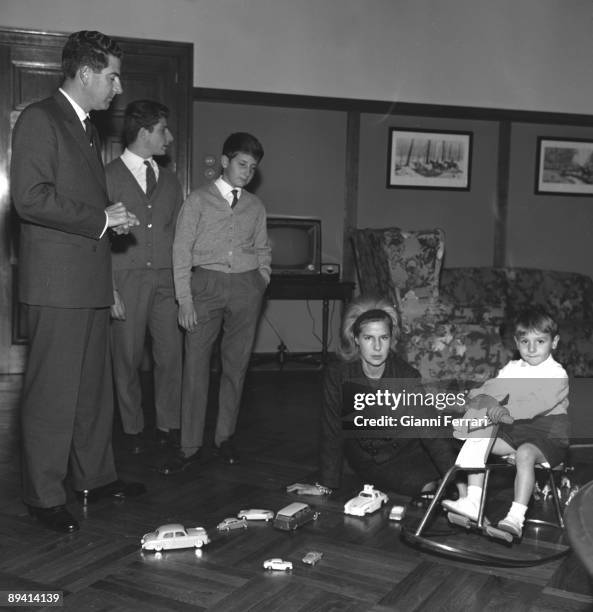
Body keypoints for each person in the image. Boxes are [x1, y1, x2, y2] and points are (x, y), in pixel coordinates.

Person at [10, 30, 145, 534]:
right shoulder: (40, 119)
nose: (117, 86)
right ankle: (43, 495)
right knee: (53, 395)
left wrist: (107, 226)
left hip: (87, 281)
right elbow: (29, 197)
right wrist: (102, 220)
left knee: (92, 392)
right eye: (111, 76)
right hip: (57, 284)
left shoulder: (85, 126)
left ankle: (95, 476)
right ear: (85, 73)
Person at [163, 132, 271, 473]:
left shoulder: (255, 206)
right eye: (242, 164)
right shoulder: (197, 200)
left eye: (252, 168)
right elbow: (180, 251)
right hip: (204, 286)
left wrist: (261, 279)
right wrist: (185, 299)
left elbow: (263, 247)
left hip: (246, 287)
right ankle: (190, 445)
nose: (247, 172)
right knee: (195, 366)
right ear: (225, 162)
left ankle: (225, 438)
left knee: (235, 367)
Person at [287, 296, 462, 499]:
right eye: (369, 338)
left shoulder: (405, 375)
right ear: (356, 339)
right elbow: (331, 430)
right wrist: (326, 485)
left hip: (412, 447)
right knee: (425, 486)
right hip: (373, 460)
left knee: (461, 466)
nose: (377, 347)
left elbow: (429, 428)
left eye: (384, 338)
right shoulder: (338, 374)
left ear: (391, 339)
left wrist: (457, 482)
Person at [442, 305, 569, 538]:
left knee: (524, 454)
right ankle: (473, 500)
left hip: (549, 433)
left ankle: (516, 517)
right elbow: (494, 387)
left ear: (554, 342)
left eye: (540, 341)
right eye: (524, 342)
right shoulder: (514, 367)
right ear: (516, 342)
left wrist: (500, 411)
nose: (531, 349)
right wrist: (473, 397)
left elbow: (533, 406)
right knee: (480, 435)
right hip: (518, 429)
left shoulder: (556, 374)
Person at [107, 100, 183, 454]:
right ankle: (132, 428)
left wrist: (183, 286)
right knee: (127, 357)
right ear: (144, 133)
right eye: (162, 130)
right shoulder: (106, 176)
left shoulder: (170, 180)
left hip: (167, 282)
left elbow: (179, 237)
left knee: (171, 355)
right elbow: (96, 240)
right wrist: (110, 290)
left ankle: (168, 425)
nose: (168, 137)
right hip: (126, 280)